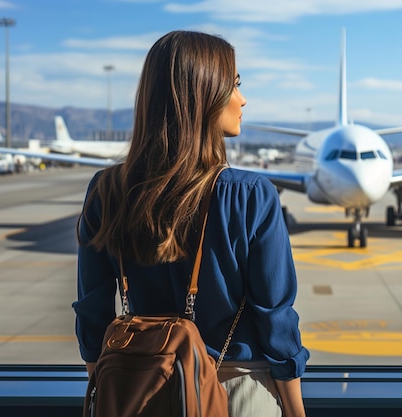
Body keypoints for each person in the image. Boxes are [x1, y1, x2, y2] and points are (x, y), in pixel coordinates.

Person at [72, 30, 309, 417]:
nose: (242, 99)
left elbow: (92, 313)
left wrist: (110, 392)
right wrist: (296, 410)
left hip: (137, 390)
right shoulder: (250, 195)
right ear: (204, 95)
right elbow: (275, 319)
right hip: (234, 388)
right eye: (234, 85)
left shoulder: (106, 191)